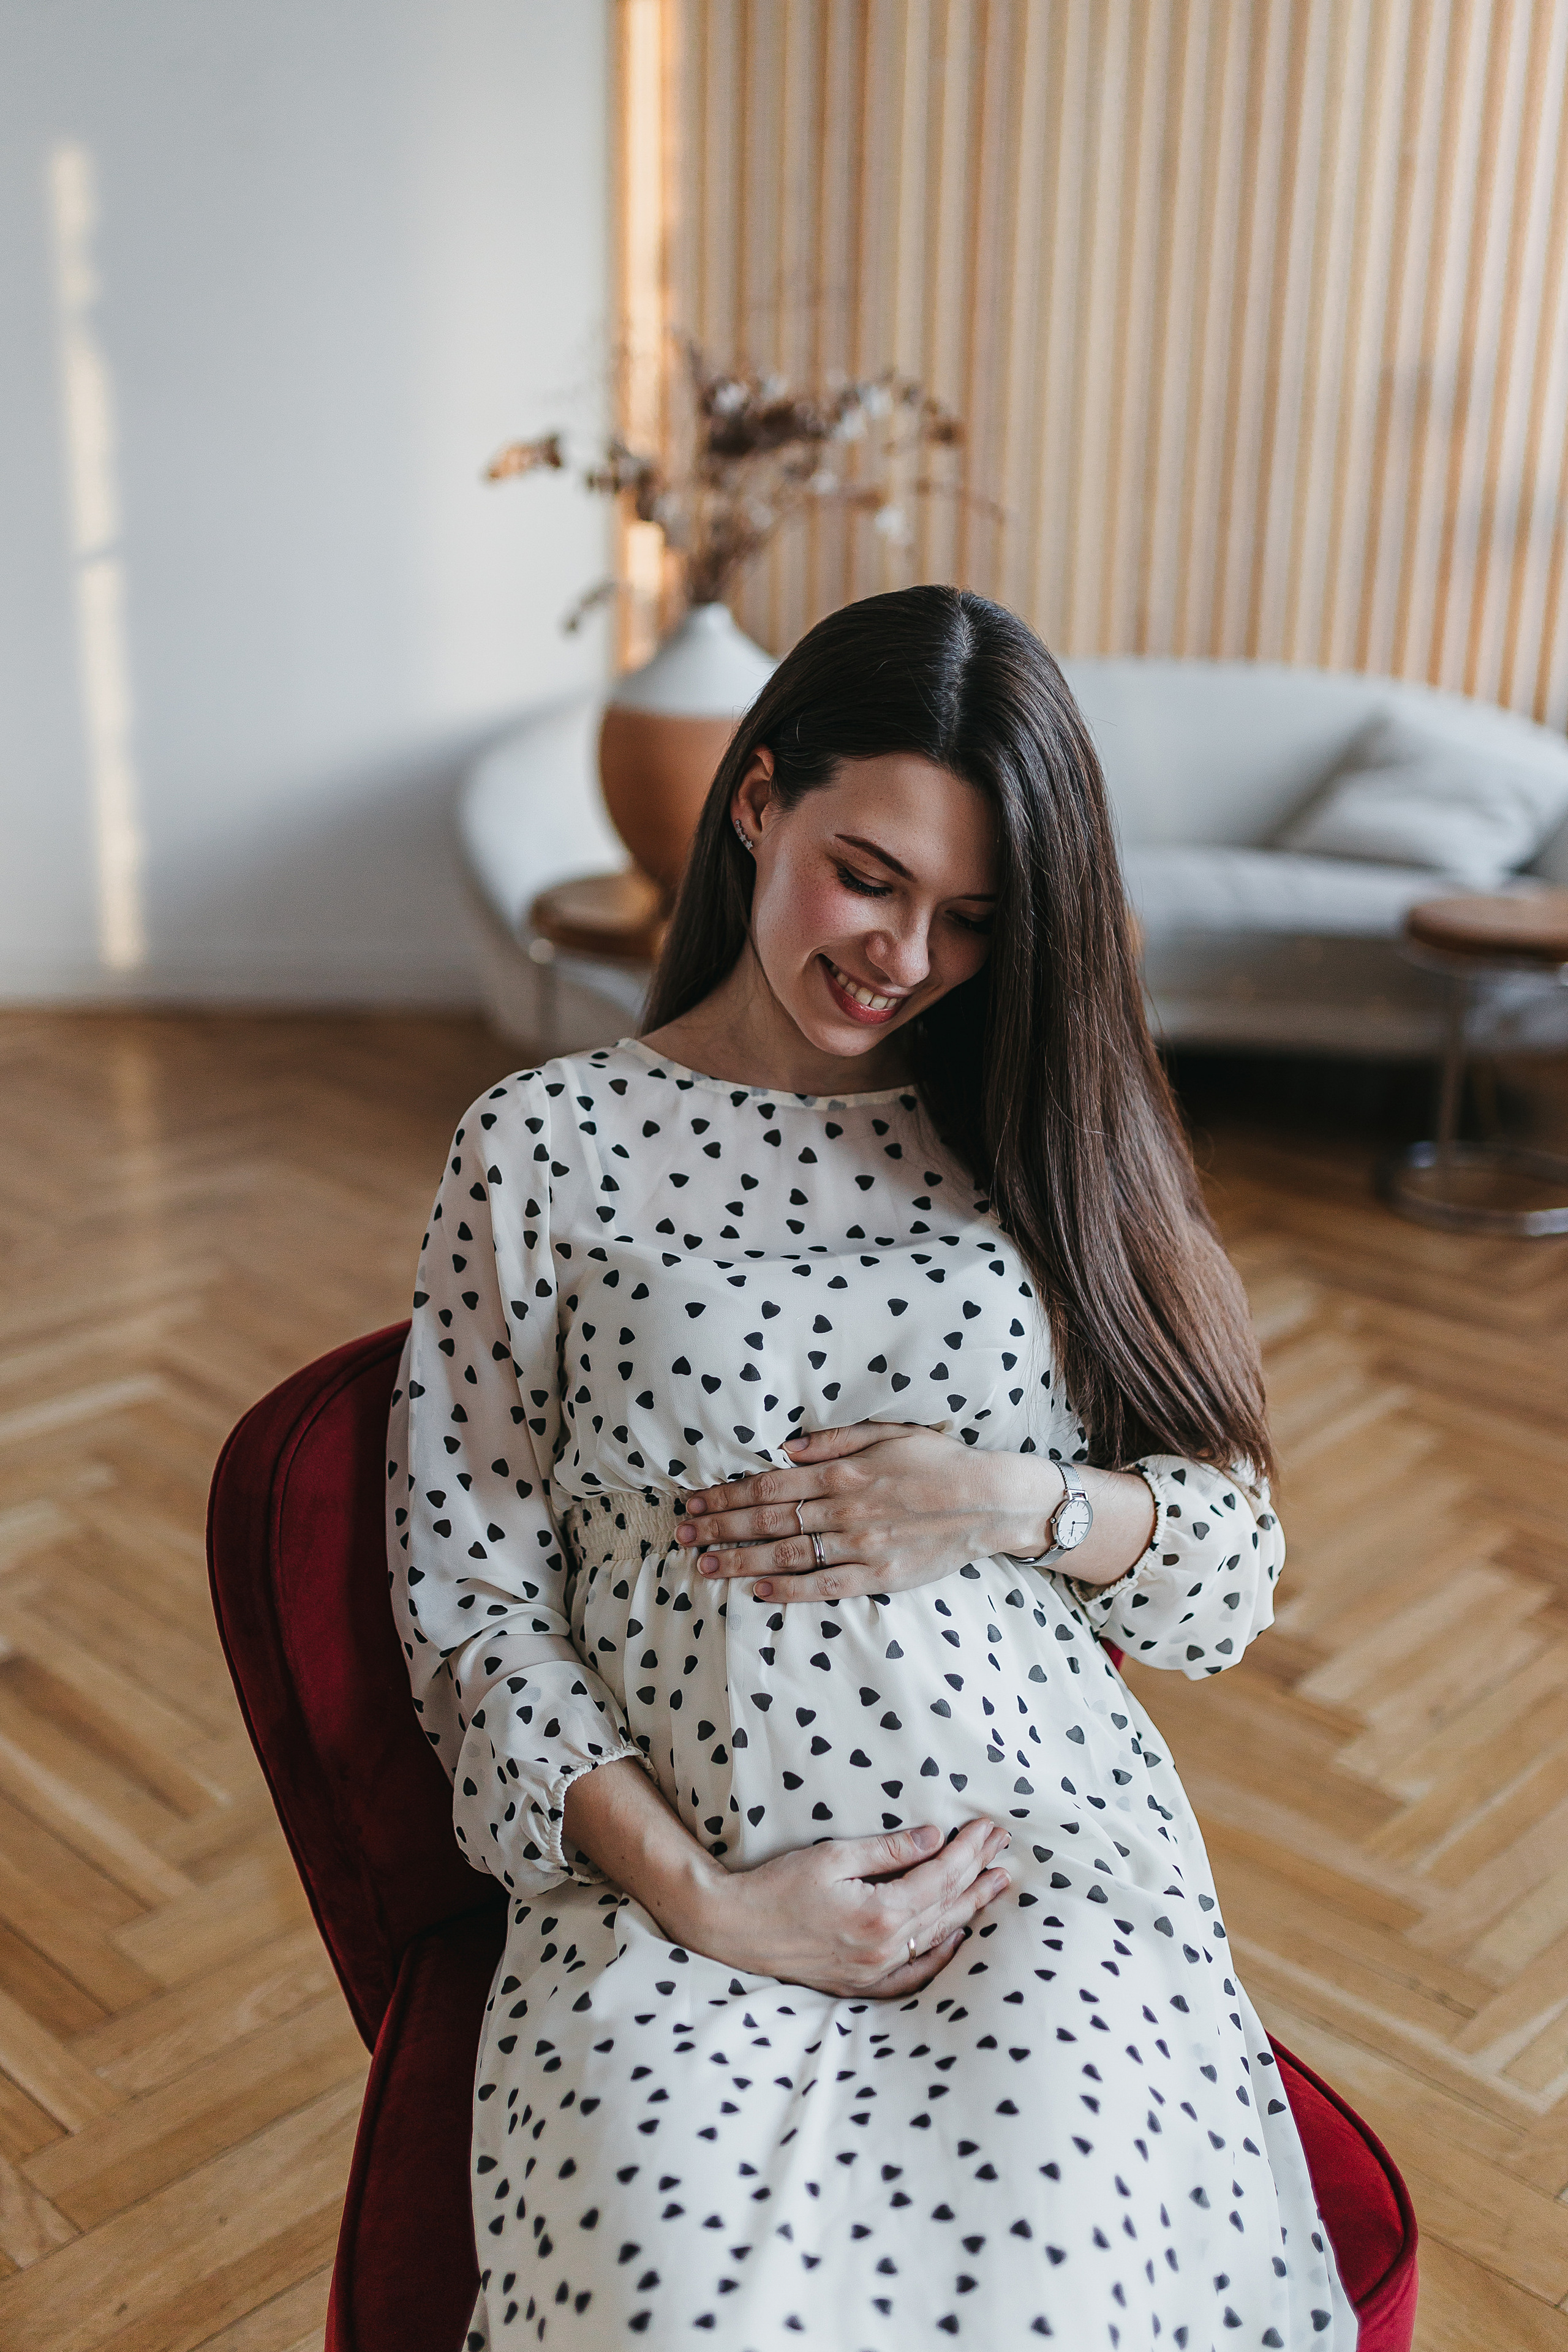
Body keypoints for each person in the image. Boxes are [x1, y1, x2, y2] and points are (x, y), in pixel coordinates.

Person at [386, 586, 1357, 2349]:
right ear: (758, 800)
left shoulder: (1050, 1136)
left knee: (1045, 2296)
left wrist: (1014, 1502)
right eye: (870, 875)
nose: (905, 956)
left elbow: (1229, 1572)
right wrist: (709, 1899)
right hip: (677, 1885)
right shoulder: (544, 1147)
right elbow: (467, 1607)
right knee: (683, 2313)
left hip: (1028, 1863)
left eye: (974, 917)